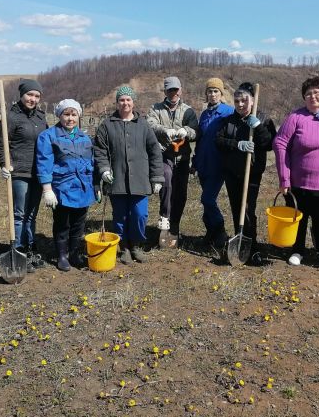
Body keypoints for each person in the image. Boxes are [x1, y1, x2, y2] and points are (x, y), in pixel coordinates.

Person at [273, 75, 319, 268]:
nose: (313, 97)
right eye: (308, 94)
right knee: (298, 219)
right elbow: (280, 143)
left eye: (317, 93)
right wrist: (284, 178)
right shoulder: (296, 117)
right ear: (304, 97)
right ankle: (297, 250)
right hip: (298, 183)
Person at [94, 86, 164, 264]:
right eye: (121, 100)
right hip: (116, 180)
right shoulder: (107, 125)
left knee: (140, 215)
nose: (125, 103)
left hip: (140, 180)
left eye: (128, 100)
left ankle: (136, 245)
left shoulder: (143, 125)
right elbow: (99, 150)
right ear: (117, 103)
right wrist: (104, 170)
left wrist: (156, 177)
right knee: (120, 216)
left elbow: (154, 151)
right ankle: (124, 247)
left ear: (133, 102)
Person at [215, 82, 276, 258]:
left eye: (244, 100)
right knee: (236, 208)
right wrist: (237, 144)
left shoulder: (264, 119)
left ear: (253, 100)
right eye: (237, 101)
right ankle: (239, 242)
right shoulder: (229, 120)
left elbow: (269, 144)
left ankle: (252, 245)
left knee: (248, 209)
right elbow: (218, 141)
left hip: (252, 173)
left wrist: (258, 127)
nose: (240, 104)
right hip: (232, 172)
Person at [35, 99, 97, 271]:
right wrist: (47, 189)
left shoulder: (85, 138)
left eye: (74, 114)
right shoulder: (48, 136)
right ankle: (62, 255)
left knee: (79, 223)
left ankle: (75, 253)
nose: (70, 118)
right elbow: (44, 163)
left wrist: (96, 186)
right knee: (63, 223)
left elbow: (91, 163)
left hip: (83, 188)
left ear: (79, 116)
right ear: (59, 115)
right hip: (62, 188)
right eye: (66, 114)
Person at [0, 79, 48, 272]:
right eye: (30, 95)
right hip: (19, 172)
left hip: (39, 172)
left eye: (37, 96)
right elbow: (2, 144)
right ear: (22, 95)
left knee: (32, 215)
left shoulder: (41, 117)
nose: (33, 99)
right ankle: (18, 250)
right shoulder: (10, 117)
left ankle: (30, 248)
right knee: (20, 214)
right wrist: (4, 164)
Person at [146, 76, 199, 247]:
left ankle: (175, 223)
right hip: (164, 155)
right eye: (170, 90)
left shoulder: (188, 111)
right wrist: (165, 131)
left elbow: (195, 129)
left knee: (181, 192)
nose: (173, 93)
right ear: (165, 91)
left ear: (180, 90)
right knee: (166, 180)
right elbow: (151, 124)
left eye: (176, 90)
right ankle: (165, 218)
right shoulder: (156, 109)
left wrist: (186, 131)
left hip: (182, 157)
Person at [191, 77, 234, 250]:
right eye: (210, 91)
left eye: (216, 91)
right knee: (207, 201)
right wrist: (194, 162)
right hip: (203, 164)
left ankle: (221, 231)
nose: (213, 94)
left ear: (221, 93)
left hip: (218, 165)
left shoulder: (228, 113)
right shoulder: (205, 113)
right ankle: (210, 234)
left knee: (207, 199)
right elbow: (200, 141)